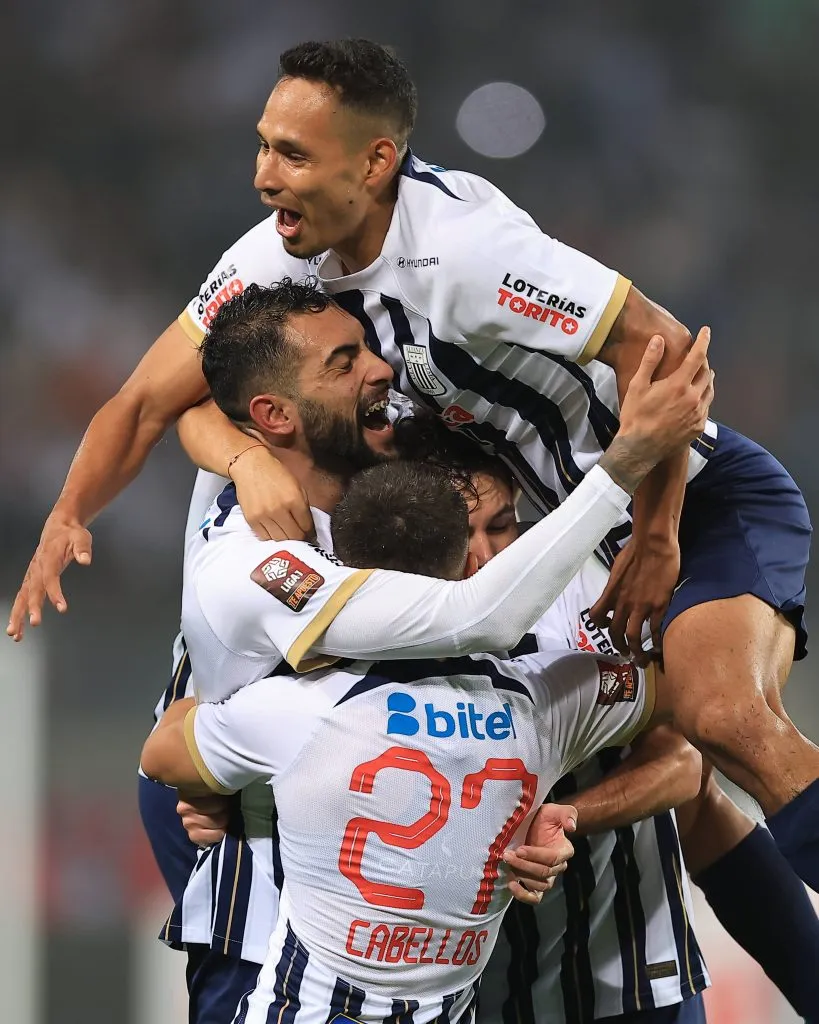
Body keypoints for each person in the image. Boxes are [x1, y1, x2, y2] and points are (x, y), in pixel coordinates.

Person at [10, 39, 815, 893]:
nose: (262, 175)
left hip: (689, 494)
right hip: (567, 537)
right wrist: (77, 512)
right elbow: (153, 401)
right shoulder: (277, 255)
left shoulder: (465, 254)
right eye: (262, 144)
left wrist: (655, 538)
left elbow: (662, 346)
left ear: (375, 161)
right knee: (661, 770)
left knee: (722, 717)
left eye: (292, 154)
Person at [159, 278, 709, 1023]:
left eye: (504, 527)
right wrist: (627, 465)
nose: (379, 369)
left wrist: (217, 768)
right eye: (344, 360)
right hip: (257, 918)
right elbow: (475, 616)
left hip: (460, 967)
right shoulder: (254, 562)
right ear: (275, 415)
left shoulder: (388, 498)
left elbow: (171, 746)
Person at [401, 423, 819, 1022]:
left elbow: (685, 768)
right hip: (476, 989)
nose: (486, 556)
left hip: (633, 972)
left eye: (500, 525)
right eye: (457, 534)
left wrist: (570, 813)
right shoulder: (386, 615)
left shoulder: (596, 591)